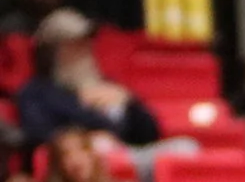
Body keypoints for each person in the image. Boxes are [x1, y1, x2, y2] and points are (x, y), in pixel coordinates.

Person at [16, 8, 159, 150]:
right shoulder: (36, 93)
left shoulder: (107, 85)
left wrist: (129, 102)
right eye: (73, 46)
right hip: (83, 158)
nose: (84, 52)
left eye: (85, 43)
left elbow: (150, 135)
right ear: (51, 53)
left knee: (172, 149)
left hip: (129, 155)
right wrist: (89, 131)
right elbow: (40, 136)